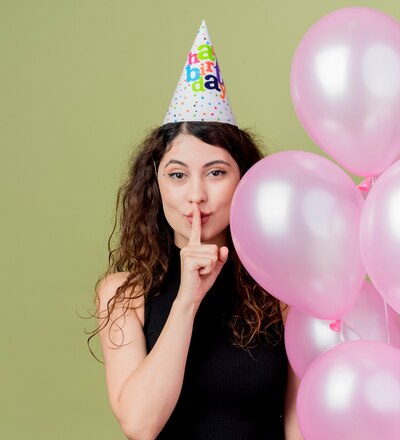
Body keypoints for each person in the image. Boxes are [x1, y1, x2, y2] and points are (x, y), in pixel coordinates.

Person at [91, 21, 302, 440]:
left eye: (216, 172)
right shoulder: (123, 294)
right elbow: (139, 424)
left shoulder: (283, 293)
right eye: (178, 175)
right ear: (155, 185)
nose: (196, 196)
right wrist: (188, 299)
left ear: (245, 180)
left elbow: (298, 426)